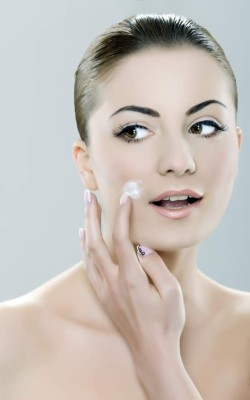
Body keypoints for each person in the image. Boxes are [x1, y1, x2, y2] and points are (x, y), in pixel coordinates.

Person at [0, 12, 249, 400]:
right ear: (86, 163)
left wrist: (159, 360)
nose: (179, 160)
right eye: (135, 130)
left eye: (203, 126)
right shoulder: (10, 342)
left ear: (235, 147)